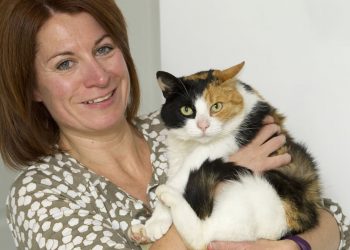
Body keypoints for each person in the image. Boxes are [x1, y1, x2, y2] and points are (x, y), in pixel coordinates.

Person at [0, 0, 348, 249]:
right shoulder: (42, 193)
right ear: (31, 87)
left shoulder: (183, 127)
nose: (99, 76)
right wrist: (218, 178)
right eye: (65, 64)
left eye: (104, 49)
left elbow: (334, 224)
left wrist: (288, 249)